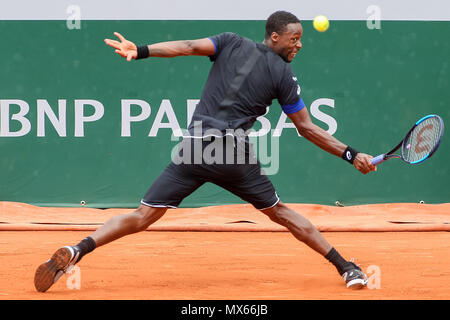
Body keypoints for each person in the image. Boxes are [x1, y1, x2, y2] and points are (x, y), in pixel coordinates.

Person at [34, 11, 376, 293]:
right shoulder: (283, 73)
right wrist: (350, 154)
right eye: (294, 38)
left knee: (142, 215)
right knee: (281, 213)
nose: (299, 44)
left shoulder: (228, 42)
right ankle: (347, 268)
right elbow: (306, 127)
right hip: (231, 155)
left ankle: (78, 249)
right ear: (275, 37)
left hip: (194, 148)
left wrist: (140, 50)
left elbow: (185, 46)